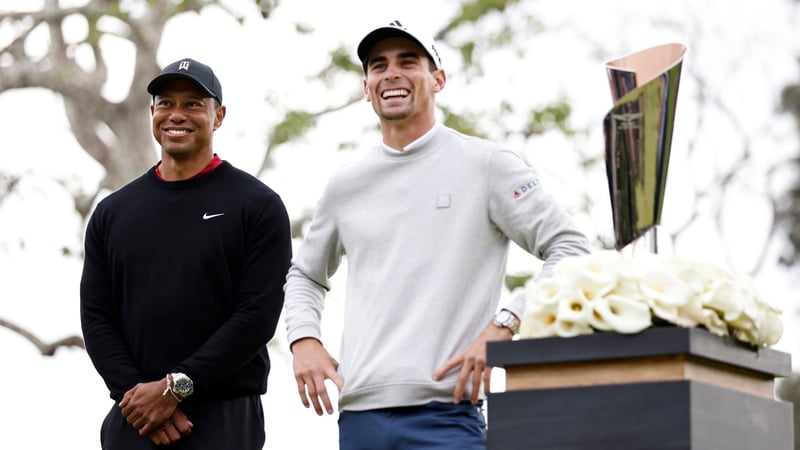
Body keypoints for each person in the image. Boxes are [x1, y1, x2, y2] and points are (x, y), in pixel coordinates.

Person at [283, 19, 593, 450]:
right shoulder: (346, 184)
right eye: (378, 65)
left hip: (448, 416)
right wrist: (304, 341)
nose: (391, 73)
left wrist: (505, 325)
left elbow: (573, 249)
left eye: (408, 61)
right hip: (357, 420)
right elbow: (305, 276)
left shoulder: (487, 164)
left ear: (438, 79)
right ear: (366, 86)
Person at [80, 57, 292, 449]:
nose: (177, 114)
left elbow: (257, 316)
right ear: (152, 112)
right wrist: (140, 398)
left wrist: (176, 388)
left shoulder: (257, 205)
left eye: (193, 103)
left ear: (219, 115)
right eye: (166, 103)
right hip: (136, 417)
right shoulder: (113, 212)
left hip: (222, 417)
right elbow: (96, 318)